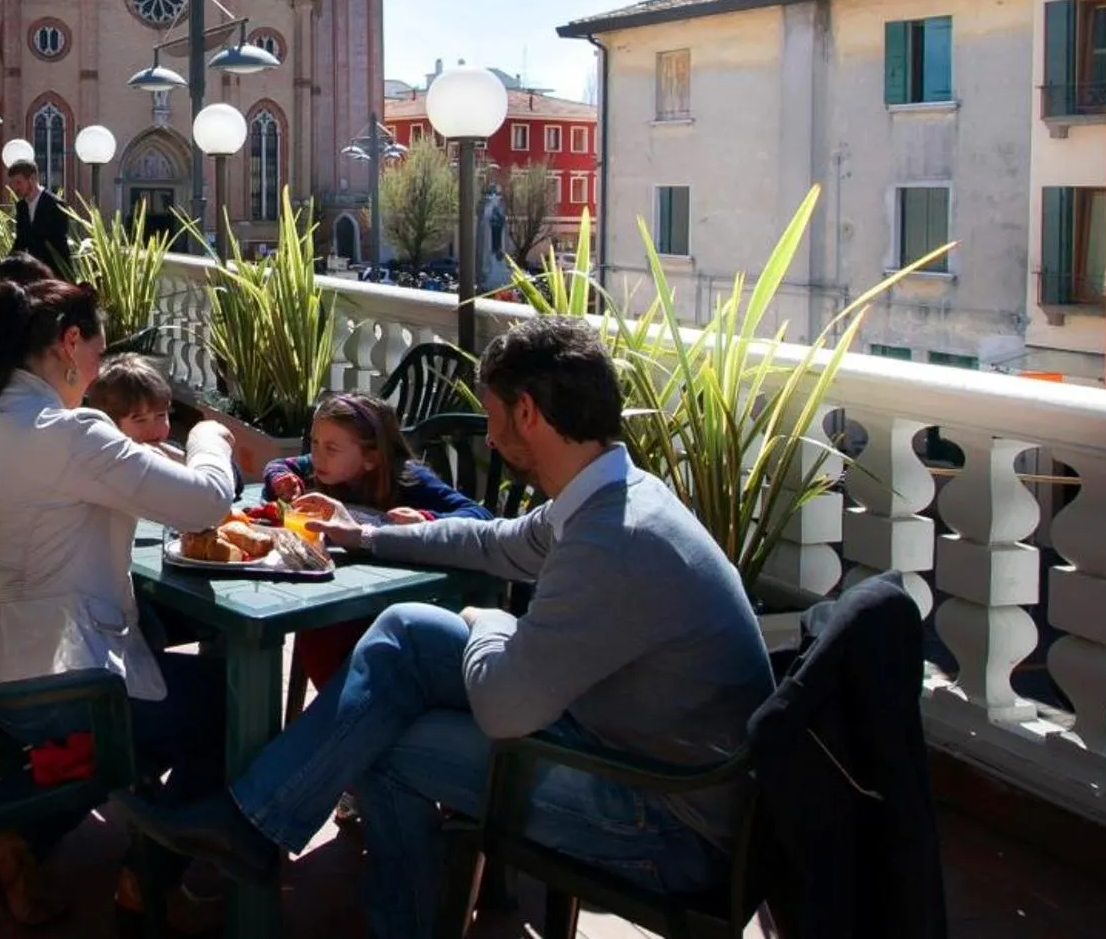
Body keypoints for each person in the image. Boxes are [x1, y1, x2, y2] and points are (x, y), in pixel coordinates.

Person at [118, 315, 773, 939]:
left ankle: (334, 881)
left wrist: (491, 620)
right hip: (620, 739)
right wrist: (365, 534)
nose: (489, 438)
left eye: (491, 415)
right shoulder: (614, 495)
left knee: (383, 742)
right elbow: (494, 542)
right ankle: (251, 822)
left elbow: (503, 707)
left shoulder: (613, 538)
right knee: (405, 629)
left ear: (526, 412)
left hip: (666, 820)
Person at [0, 277, 237, 927]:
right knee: (231, 704)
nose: (99, 368)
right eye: (99, 352)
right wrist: (210, 437)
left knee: (151, 647)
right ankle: (148, 874)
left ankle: (24, 838)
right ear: (70, 343)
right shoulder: (67, 433)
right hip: (56, 689)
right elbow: (207, 502)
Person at [263, 394, 488, 697]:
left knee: (332, 633)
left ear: (371, 457)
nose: (316, 455)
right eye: (314, 442)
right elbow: (279, 464)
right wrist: (282, 479)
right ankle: (340, 705)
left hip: (413, 598)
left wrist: (426, 518)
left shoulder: (409, 478)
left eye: (331, 448)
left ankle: (352, 706)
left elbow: (479, 516)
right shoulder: (322, 468)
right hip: (348, 592)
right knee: (317, 626)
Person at [5, 158, 73, 278]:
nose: (15, 188)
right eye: (13, 184)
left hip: (56, 273)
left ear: (32, 178)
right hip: (34, 273)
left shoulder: (55, 204)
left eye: (18, 182)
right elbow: (21, 241)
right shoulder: (21, 207)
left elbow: (59, 243)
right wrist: (6, 265)